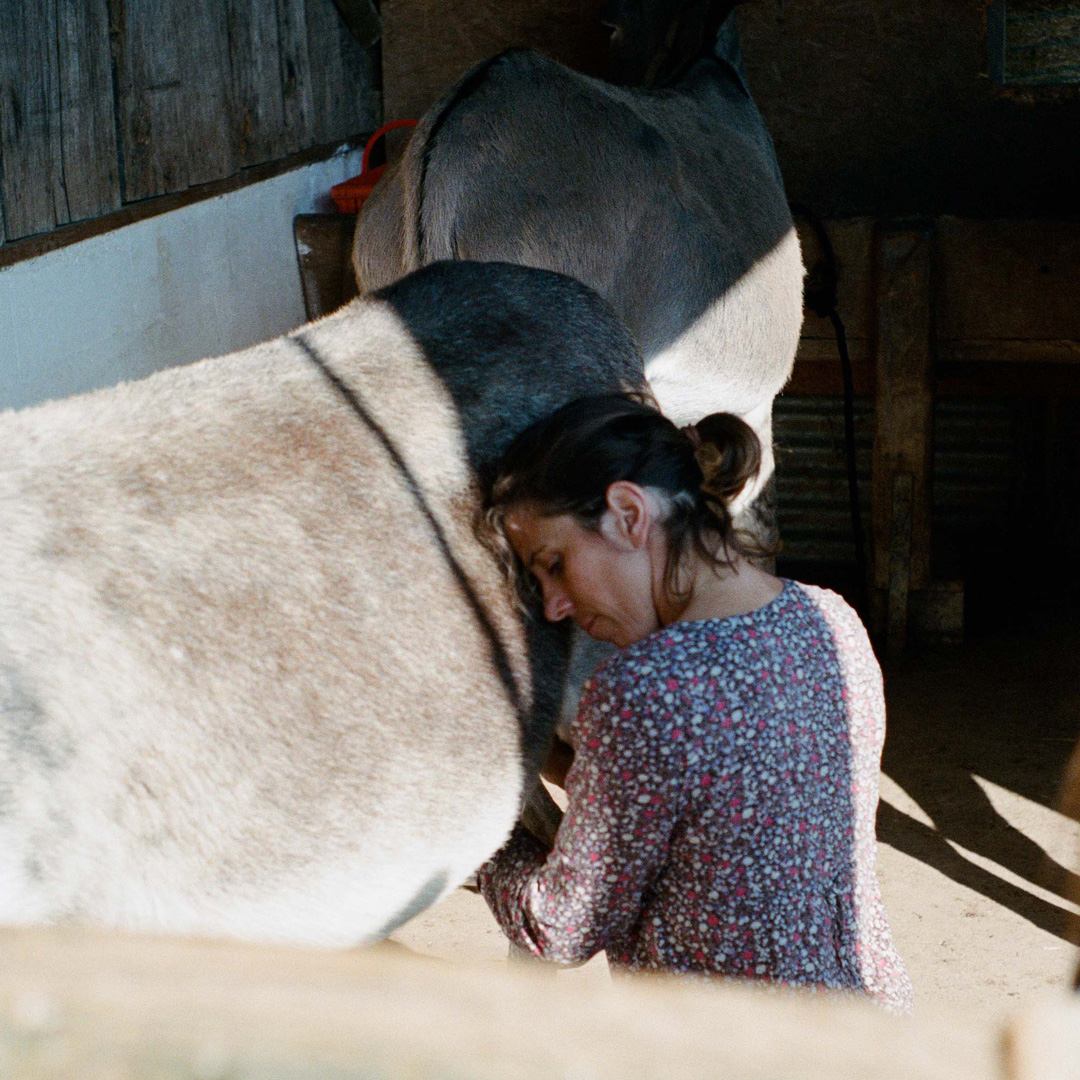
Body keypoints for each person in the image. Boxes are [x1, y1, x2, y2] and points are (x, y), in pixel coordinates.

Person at [477, 393, 913, 1013]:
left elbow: (560, 930)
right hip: (868, 1030)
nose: (554, 606)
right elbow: (707, 808)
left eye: (555, 563)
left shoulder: (647, 689)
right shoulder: (831, 620)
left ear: (629, 513)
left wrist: (491, 842)